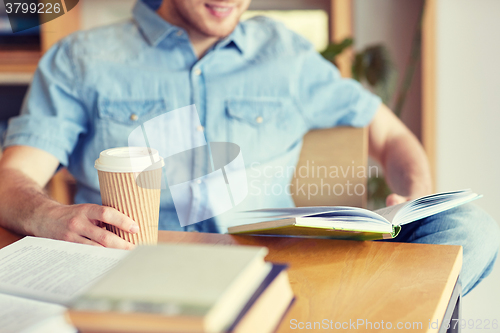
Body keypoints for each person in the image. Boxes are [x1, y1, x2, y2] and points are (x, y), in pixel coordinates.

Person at [0, 0, 498, 295]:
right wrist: (49, 217)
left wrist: (411, 199)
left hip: (275, 271)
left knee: (468, 227)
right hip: (136, 273)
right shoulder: (82, 58)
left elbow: (391, 136)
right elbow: (12, 177)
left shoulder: (286, 55)